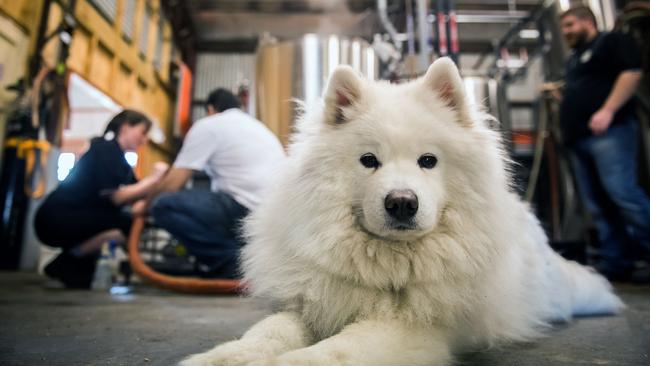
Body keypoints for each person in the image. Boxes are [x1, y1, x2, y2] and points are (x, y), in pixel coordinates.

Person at [136, 88, 285, 279]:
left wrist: (144, 206)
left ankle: (230, 264)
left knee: (162, 205)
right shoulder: (257, 127)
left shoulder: (209, 125)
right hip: (274, 214)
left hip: (244, 208)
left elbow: (173, 183)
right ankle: (244, 263)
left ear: (211, 109)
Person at [559, 6, 650, 280]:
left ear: (588, 22)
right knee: (598, 205)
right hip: (580, 139)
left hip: (608, 134)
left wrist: (607, 110)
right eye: (563, 27)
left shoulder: (612, 41)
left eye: (570, 25)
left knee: (624, 195)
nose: (566, 32)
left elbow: (631, 73)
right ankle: (616, 263)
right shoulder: (575, 58)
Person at [35, 110, 166, 288]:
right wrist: (156, 178)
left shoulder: (121, 163)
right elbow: (117, 198)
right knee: (124, 223)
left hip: (78, 216)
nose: (144, 140)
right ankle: (65, 262)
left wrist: (155, 187)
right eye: (143, 133)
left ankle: (73, 268)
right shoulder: (105, 148)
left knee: (125, 223)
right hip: (56, 218)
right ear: (126, 127)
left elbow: (138, 192)